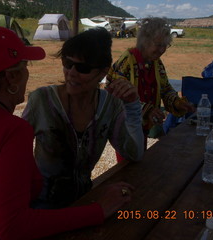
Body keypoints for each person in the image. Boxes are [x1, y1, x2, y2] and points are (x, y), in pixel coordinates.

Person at [0, 27, 135, 240]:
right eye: (26, 67)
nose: (28, 73)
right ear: (13, 77)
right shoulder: (11, 130)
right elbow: (13, 227)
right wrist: (98, 210)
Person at [22, 27, 144, 209]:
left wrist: (133, 106)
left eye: (83, 68)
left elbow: (134, 154)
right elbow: (14, 157)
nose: (71, 72)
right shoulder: (42, 101)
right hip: (41, 206)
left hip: (85, 201)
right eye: (67, 63)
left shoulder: (110, 106)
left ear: (103, 72)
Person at [107, 17, 195, 151]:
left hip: (143, 126)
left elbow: (165, 89)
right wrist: (147, 110)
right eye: (158, 45)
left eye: (165, 45)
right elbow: (117, 95)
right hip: (126, 127)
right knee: (130, 162)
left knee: (140, 158)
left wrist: (177, 102)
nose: (162, 50)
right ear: (145, 41)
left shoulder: (156, 63)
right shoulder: (127, 61)